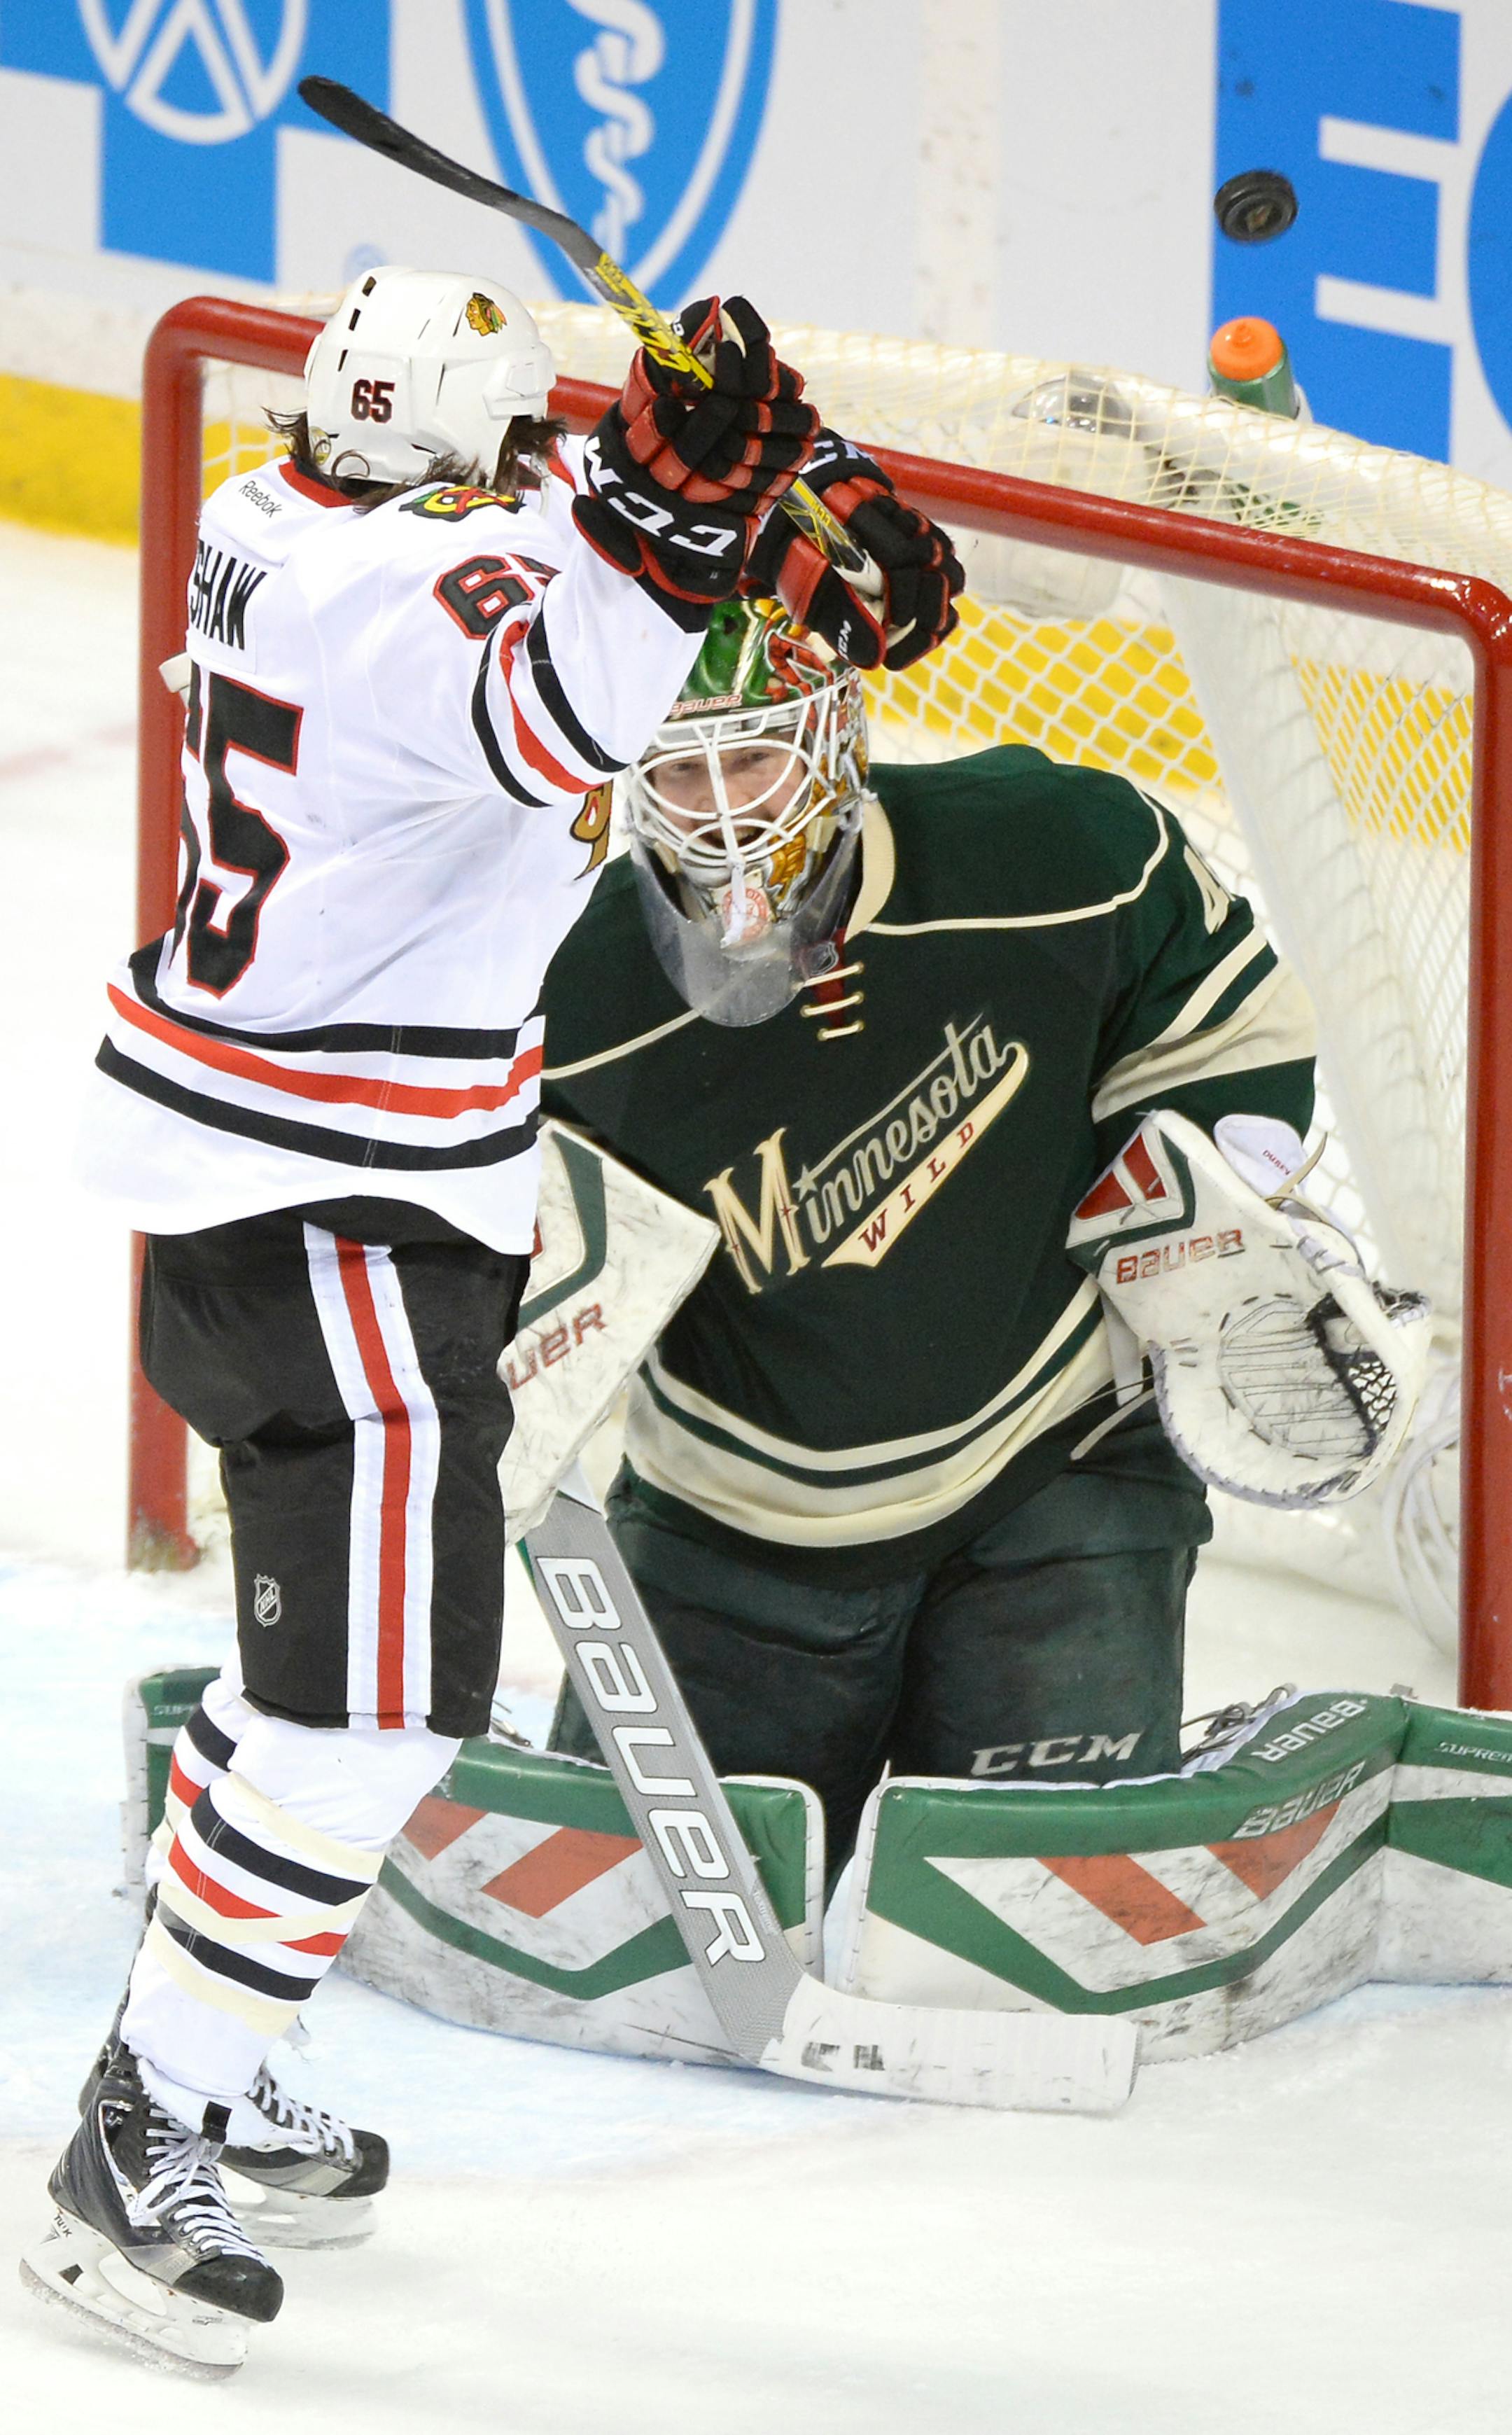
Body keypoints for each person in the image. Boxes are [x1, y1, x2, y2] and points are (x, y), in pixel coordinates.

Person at [22, 265, 830, 2373]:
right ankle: (138, 2136)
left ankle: (211, 2042)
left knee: (313, 1687)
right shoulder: (430, 606)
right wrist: (684, 518)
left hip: (270, 1204)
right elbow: (560, 687)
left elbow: (537, 544)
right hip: (342, 1231)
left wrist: (732, 497)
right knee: (367, 1717)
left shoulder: (275, 514)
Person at [539, 592, 1319, 1881]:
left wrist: (1215, 1232)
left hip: (1055, 1473)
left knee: (1042, 1910)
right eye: (676, 765)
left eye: (752, 752)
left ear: (839, 732)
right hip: (731, 1529)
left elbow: (1229, 1027)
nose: (721, 807)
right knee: (633, 1912)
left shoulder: (1062, 853)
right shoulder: (561, 984)